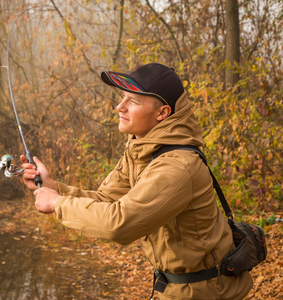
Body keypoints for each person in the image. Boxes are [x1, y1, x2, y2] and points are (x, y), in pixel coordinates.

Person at [20, 63, 253, 299]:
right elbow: (106, 199)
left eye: (133, 101)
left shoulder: (177, 166)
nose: (120, 107)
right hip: (176, 289)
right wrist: (54, 188)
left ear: (162, 113)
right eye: (123, 97)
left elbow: (119, 223)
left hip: (205, 293)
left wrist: (58, 203)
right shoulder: (141, 150)